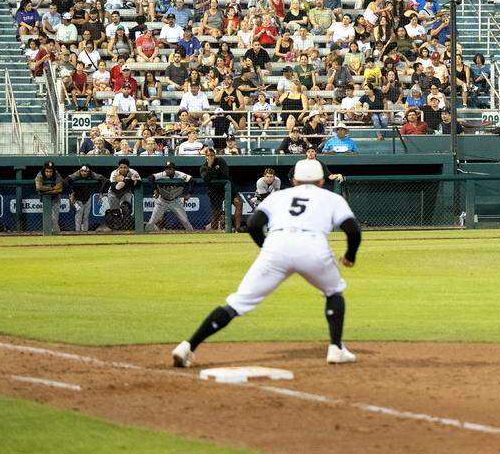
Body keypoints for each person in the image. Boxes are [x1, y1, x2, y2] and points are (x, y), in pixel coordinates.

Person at [171, 159, 362, 367]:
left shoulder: (279, 196)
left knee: (237, 303)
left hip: (276, 245)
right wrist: (350, 256)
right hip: (313, 246)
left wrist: (267, 248)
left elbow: (253, 225)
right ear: (322, 181)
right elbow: (353, 230)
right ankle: (336, 349)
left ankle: (187, 347)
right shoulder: (331, 198)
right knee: (333, 292)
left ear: (295, 180)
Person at [147, 162, 194, 231]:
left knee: (185, 222)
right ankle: (144, 236)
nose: (168, 170)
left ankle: (192, 236)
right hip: (162, 201)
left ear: (174, 169)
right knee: (151, 222)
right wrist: (155, 190)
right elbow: (150, 178)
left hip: (175, 201)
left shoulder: (180, 175)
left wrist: (189, 194)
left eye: (170, 169)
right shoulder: (162, 174)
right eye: (166, 169)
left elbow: (192, 181)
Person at [64, 165, 106, 233]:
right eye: (82, 171)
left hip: (87, 197)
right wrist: (71, 193)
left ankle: (85, 232)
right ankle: (77, 232)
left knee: (86, 216)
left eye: (86, 171)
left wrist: (101, 193)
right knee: (79, 214)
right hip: (76, 197)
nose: (84, 173)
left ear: (89, 171)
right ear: (80, 170)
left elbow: (104, 180)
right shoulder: (76, 174)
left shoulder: (92, 174)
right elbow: (66, 181)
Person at [199, 147, 231, 231]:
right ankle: (214, 232)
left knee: (237, 203)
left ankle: (236, 229)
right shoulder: (203, 167)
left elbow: (225, 175)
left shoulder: (220, 161)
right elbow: (206, 178)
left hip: (226, 188)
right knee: (216, 213)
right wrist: (210, 166)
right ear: (205, 156)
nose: (210, 157)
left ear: (215, 155)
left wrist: (213, 174)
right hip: (214, 191)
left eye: (212, 155)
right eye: (208, 155)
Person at [35, 161, 64, 234]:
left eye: (50, 171)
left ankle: (55, 233)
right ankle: (52, 233)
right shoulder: (40, 174)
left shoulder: (56, 174)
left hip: (55, 197)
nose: (49, 173)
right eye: (47, 171)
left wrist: (45, 191)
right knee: (48, 217)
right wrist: (53, 188)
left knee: (55, 218)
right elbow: (38, 187)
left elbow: (60, 189)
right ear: (44, 170)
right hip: (45, 199)